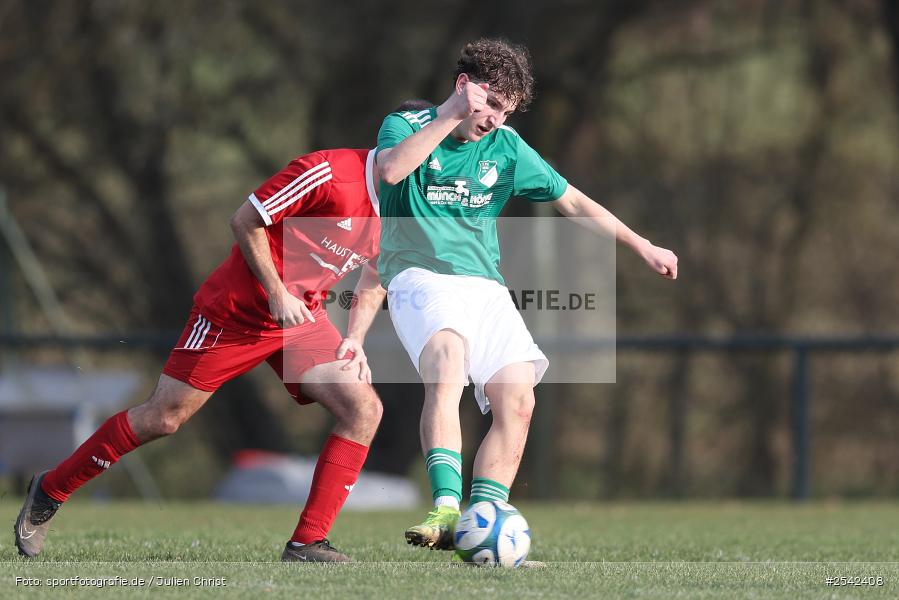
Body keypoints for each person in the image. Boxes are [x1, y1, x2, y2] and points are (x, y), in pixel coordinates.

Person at [14, 144, 389, 562]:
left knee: (363, 409)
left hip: (300, 320)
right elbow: (245, 220)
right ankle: (51, 489)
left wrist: (354, 337)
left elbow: (377, 274)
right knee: (163, 418)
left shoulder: (409, 200)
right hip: (236, 312)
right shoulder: (331, 172)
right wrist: (277, 293)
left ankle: (307, 543)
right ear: (398, 141)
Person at [375, 39, 679, 549]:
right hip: (419, 277)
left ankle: (482, 528)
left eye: (506, 110)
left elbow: (574, 203)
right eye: (490, 104)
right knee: (448, 361)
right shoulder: (405, 126)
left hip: (485, 286)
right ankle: (446, 508)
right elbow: (391, 170)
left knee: (518, 399)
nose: (496, 119)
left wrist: (640, 243)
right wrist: (452, 115)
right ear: (463, 86)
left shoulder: (508, 147)